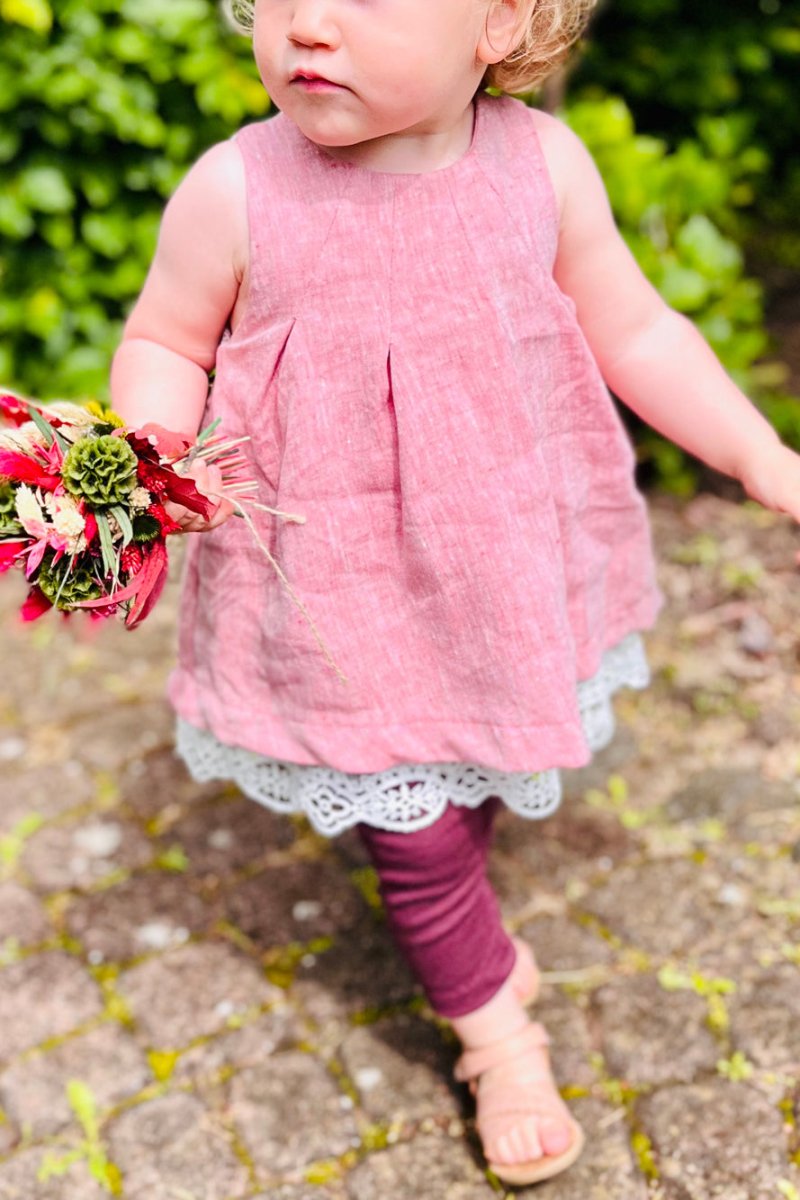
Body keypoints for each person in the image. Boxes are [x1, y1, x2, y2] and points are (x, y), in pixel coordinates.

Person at [109, 0, 800, 1185]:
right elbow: (167, 340)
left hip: (498, 559)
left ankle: (469, 935)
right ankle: (496, 1035)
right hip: (340, 583)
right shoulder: (237, 190)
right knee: (414, 829)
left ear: (499, 24)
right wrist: (148, 452)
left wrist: (756, 454)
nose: (306, 27)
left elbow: (634, 329)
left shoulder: (540, 166)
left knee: (465, 774)